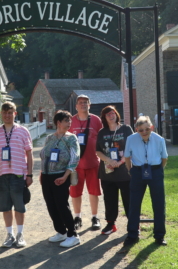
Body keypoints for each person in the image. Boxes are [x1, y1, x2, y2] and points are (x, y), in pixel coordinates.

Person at [0, 101, 33, 248]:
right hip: (1, 175)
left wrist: (30, 174)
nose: (7, 115)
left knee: (19, 207)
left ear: (15, 114)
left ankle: (20, 234)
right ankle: (10, 235)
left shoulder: (23, 131)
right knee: (5, 207)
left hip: (18, 174)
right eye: (5, 112)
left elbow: (29, 153)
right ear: (1, 114)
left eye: (10, 112)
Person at [123, 116, 168, 247]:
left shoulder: (159, 139)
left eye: (147, 129)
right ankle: (132, 234)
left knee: (159, 204)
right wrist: (131, 171)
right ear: (137, 130)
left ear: (151, 128)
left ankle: (159, 236)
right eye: (141, 130)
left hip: (155, 171)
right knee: (134, 204)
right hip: (137, 171)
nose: (144, 132)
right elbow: (127, 157)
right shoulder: (131, 139)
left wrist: (158, 171)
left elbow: (164, 158)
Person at [40, 110, 81, 247]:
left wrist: (65, 176)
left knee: (62, 205)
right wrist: (42, 174)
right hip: (46, 176)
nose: (69, 123)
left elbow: (75, 157)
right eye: (66, 120)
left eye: (70, 120)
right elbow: (44, 156)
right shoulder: (49, 138)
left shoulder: (71, 138)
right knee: (51, 205)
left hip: (61, 176)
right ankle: (61, 231)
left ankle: (73, 234)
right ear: (58, 122)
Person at [95, 106, 133, 235]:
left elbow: (132, 147)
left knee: (128, 199)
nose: (111, 116)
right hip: (107, 172)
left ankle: (133, 224)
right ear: (104, 118)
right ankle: (111, 224)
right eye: (107, 114)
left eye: (112, 113)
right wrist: (109, 160)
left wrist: (120, 162)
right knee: (109, 200)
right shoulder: (102, 132)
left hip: (125, 172)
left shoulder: (126, 129)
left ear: (116, 114)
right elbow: (98, 151)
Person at [68, 94, 103, 230]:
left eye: (85, 102)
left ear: (89, 105)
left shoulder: (96, 120)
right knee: (75, 192)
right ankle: (77, 217)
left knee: (94, 191)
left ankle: (95, 217)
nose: (83, 104)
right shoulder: (71, 121)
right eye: (80, 102)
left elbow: (101, 138)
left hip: (93, 163)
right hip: (75, 165)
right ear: (76, 106)